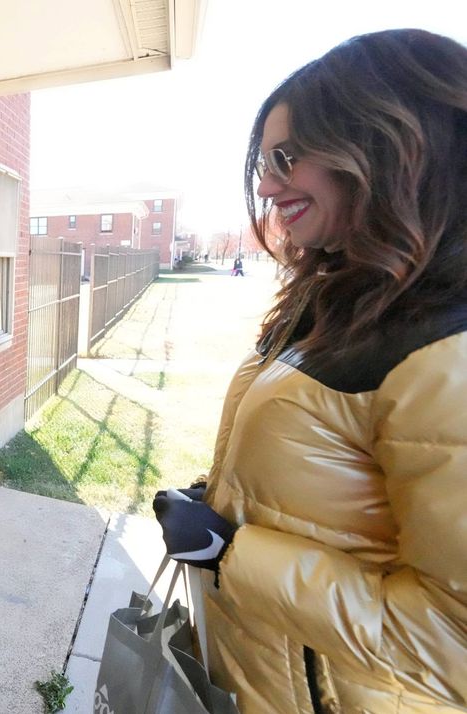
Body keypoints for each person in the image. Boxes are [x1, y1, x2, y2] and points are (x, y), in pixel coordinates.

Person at [153, 29, 467, 713]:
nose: (266, 186)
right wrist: (220, 497)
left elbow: (451, 646)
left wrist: (230, 555)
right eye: (264, 163)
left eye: (286, 158)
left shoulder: (447, 348)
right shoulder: (343, 297)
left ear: (389, 148)